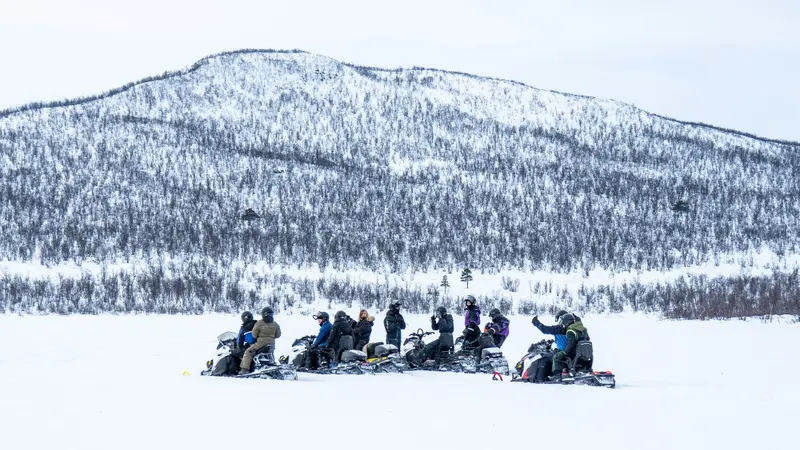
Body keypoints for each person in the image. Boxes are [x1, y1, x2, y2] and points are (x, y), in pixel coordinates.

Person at [239, 307, 282, 374]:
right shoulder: (275, 324)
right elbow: (278, 335)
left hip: (260, 343)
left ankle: (244, 369)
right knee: (270, 353)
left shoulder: (259, 323)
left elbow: (254, 334)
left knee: (248, 352)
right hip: (271, 343)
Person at [551, 313, 590, 380]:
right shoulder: (583, 329)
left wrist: (564, 353)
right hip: (584, 354)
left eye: (563, 323)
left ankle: (557, 375)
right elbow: (588, 339)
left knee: (556, 356)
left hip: (573, 353)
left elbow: (570, 345)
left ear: (567, 322)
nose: (562, 325)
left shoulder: (570, 331)